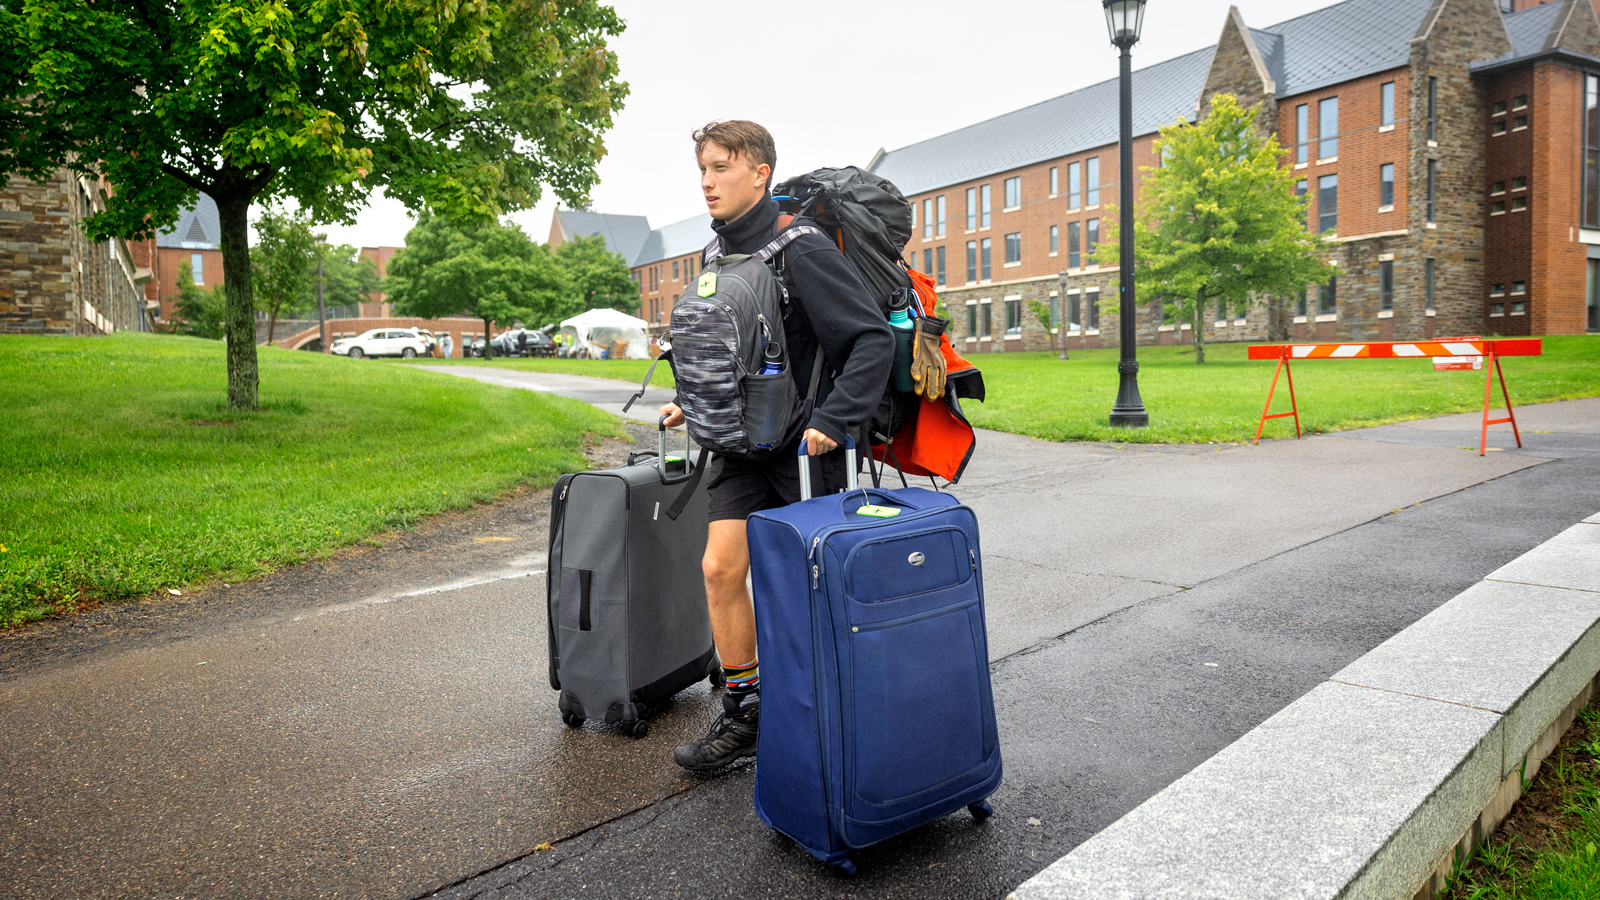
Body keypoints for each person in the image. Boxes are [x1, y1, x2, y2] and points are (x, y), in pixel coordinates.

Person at [660, 120, 893, 773]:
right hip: (739, 444)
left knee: (805, 588)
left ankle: (838, 714)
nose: (707, 181)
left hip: (803, 448)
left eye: (721, 168)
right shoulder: (715, 257)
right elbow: (719, 346)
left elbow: (870, 341)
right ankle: (748, 714)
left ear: (759, 172)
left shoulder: (802, 249)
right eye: (702, 169)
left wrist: (836, 420)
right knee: (720, 569)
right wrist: (693, 397)